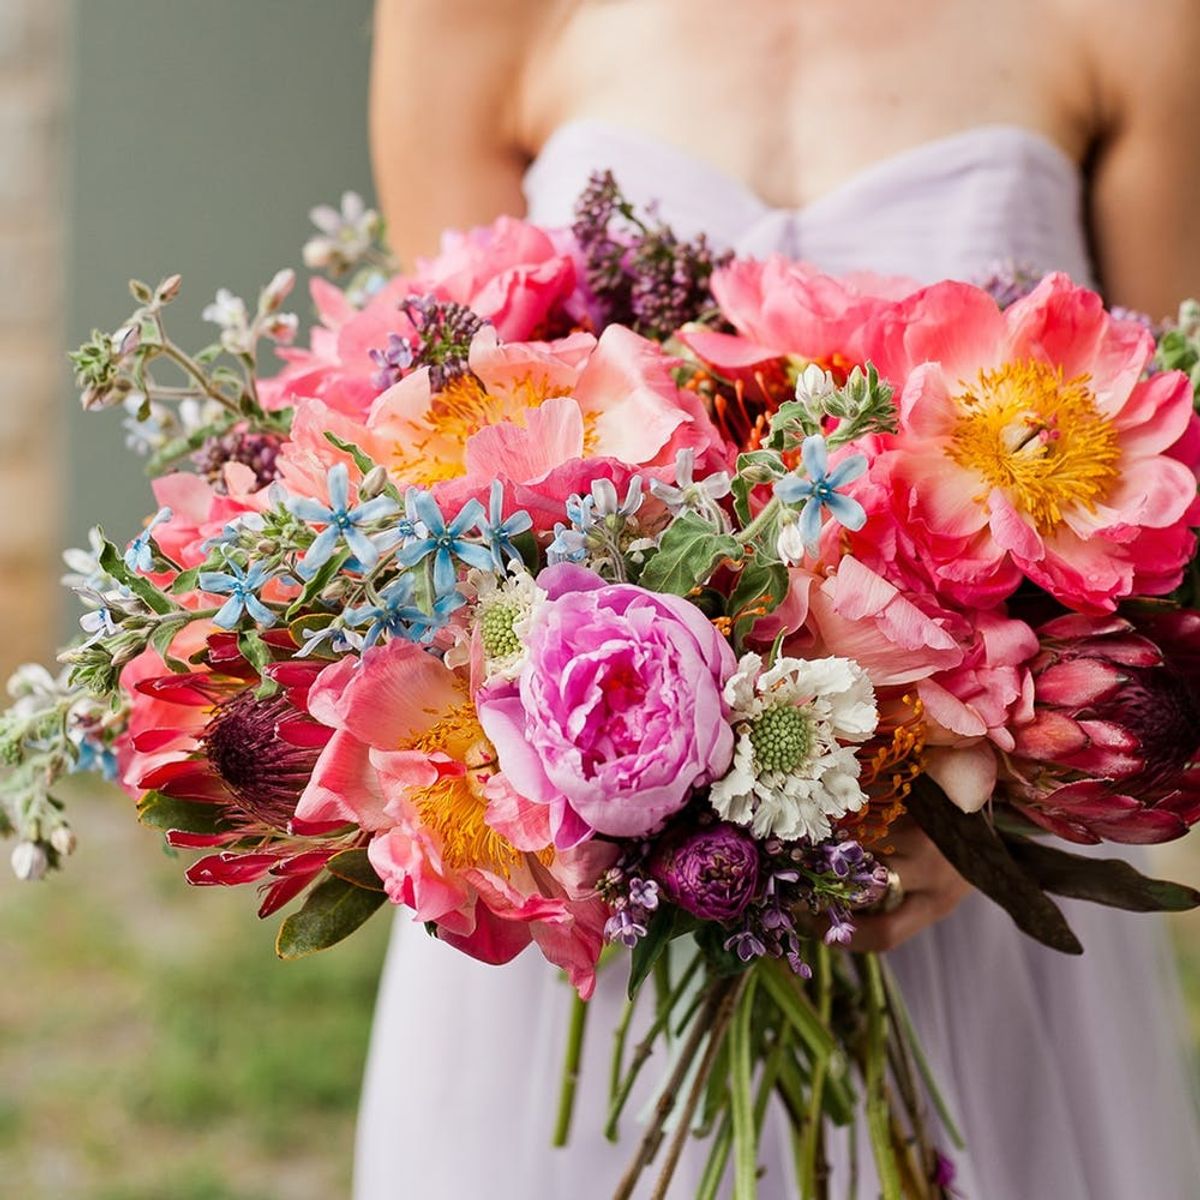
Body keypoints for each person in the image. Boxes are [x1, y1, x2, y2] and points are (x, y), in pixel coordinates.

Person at [357, 2, 1200, 1195]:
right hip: (591, 901)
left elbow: (1167, 498)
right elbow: (432, 457)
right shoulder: (473, 15)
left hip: (971, 886)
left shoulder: (1134, 20)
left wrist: (977, 802)